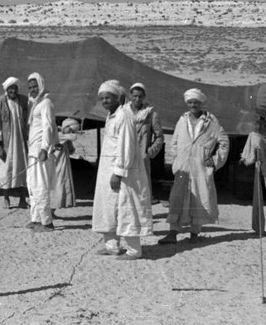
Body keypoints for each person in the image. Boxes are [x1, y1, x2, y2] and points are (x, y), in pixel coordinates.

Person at [158, 88, 229, 245]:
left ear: (200, 103)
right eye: (190, 102)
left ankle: (194, 235)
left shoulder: (211, 121)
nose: (192, 105)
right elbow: (175, 141)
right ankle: (172, 233)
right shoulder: (182, 120)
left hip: (200, 167)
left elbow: (223, 141)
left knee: (199, 199)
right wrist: (177, 159)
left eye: (195, 102)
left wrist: (215, 160)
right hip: (182, 167)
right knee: (177, 198)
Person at [92, 80, 153, 260]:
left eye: (108, 97)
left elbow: (126, 146)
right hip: (107, 170)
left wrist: (118, 172)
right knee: (108, 208)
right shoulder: (111, 115)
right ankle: (112, 246)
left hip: (122, 172)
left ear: (119, 97)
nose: (104, 101)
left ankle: (134, 250)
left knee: (126, 208)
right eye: (102, 98)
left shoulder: (124, 115)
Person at [0, 76, 29, 209]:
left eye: (15, 88)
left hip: (21, 143)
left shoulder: (23, 100)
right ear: (6, 89)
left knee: (23, 169)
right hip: (7, 143)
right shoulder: (0, 102)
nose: (13, 91)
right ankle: (6, 197)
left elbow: (28, 119)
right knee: (5, 170)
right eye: (11, 88)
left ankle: (23, 199)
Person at [25, 72, 58, 232]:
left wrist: (45, 148)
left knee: (40, 186)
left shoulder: (46, 103)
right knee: (32, 186)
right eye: (30, 87)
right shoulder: (35, 104)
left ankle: (47, 222)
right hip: (33, 151)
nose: (32, 90)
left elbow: (49, 127)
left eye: (34, 87)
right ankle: (36, 219)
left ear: (41, 86)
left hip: (41, 151)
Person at [126, 82, 165, 194]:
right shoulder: (123, 112)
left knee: (142, 189)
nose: (137, 99)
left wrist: (150, 152)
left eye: (140, 96)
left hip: (141, 156)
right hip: (125, 153)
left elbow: (159, 137)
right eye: (135, 96)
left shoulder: (151, 114)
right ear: (130, 96)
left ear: (144, 97)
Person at [51, 117, 79, 215]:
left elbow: (71, 150)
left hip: (63, 165)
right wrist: (69, 135)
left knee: (61, 186)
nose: (71, 132)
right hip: (55, 166)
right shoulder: (57, 135)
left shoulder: (65, 137)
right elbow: (73, 137)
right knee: (55, 186)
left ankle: (52, 211)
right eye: (70, 130)